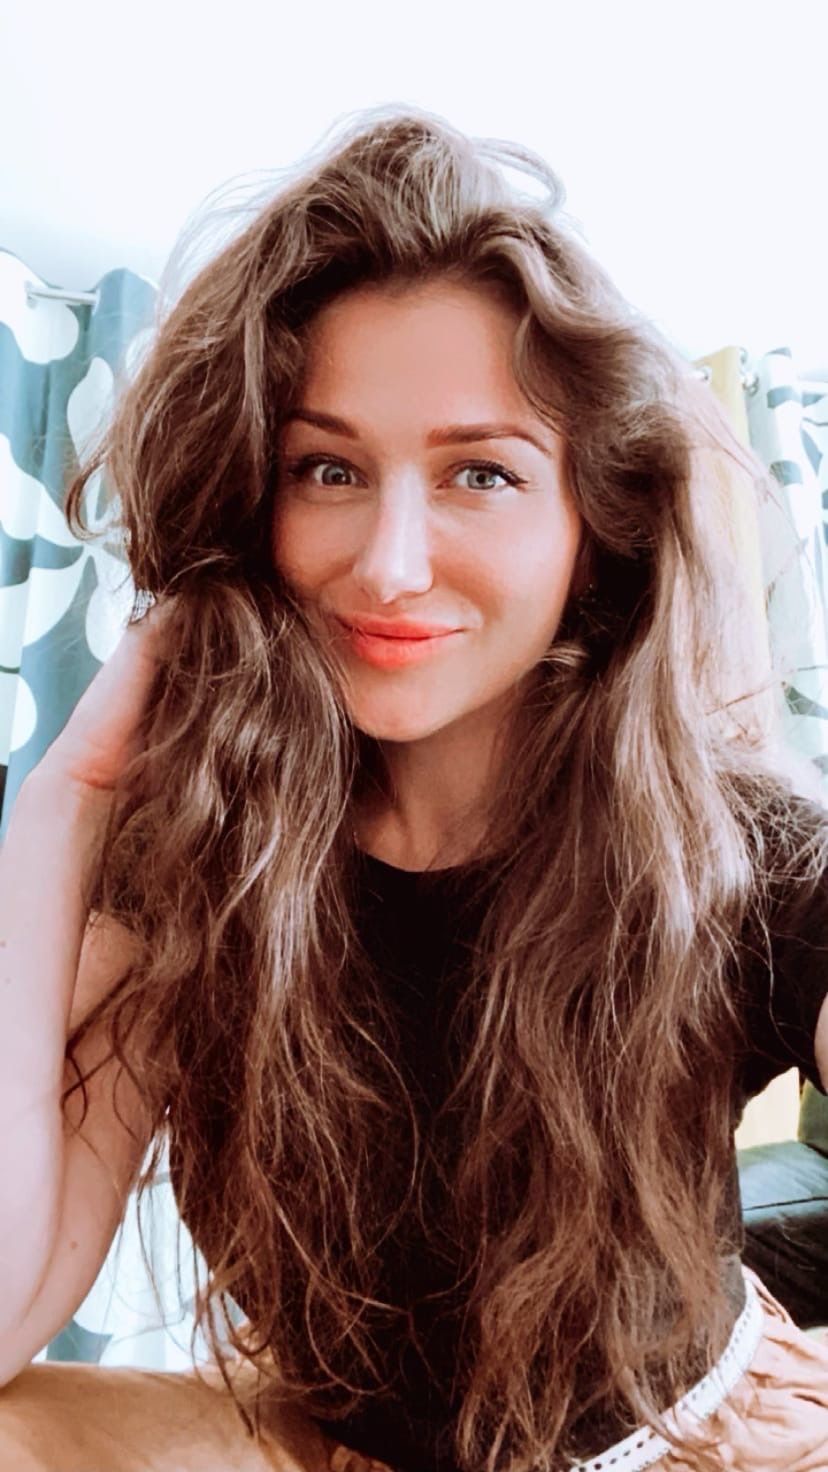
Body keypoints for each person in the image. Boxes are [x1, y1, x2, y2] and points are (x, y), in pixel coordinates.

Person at [0, 102, 827, 1472]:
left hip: (684, 1443)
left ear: (596, 527)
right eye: (327, 469)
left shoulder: (743, 850)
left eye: (480, 474)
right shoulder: (210, 856)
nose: (388, 564)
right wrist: (66, 805)